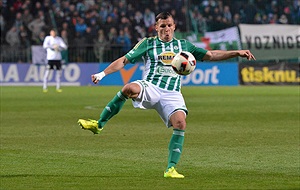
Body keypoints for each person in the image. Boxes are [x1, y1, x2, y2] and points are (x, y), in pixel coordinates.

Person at [77, 12, 255, 178]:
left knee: (181, 123)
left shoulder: (183, 46)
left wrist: (236, 52)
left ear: (174, 26)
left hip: (172, 93)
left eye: (169, 25)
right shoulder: (148, 43)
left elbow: (210, 54)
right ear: (156, 28)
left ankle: (171, 168)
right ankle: (98, 124)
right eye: (162, 26)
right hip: (151, 86)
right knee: (128, 89)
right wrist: (102, 74)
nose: (166, 29)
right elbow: (124, 60)